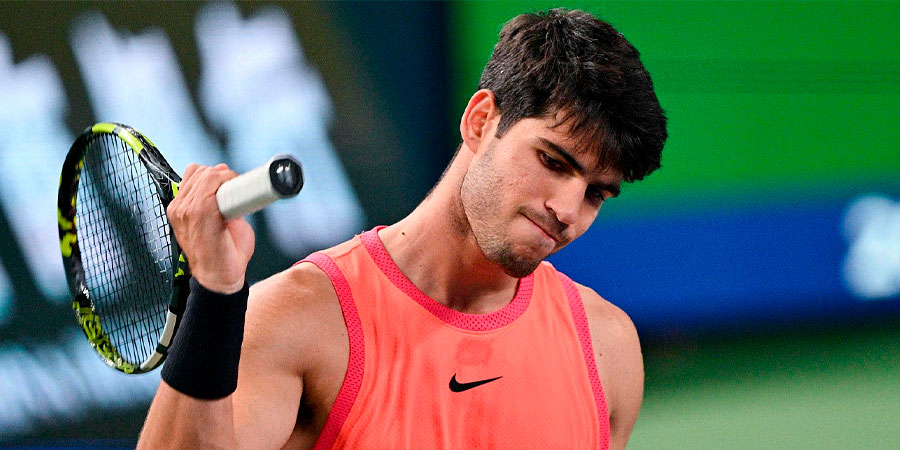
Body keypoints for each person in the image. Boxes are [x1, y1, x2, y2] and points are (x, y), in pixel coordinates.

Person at [138, 8, 666, 450]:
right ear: (481, 122)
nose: (568, 211)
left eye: (596, 193)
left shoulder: (607, 349)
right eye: (552, 161)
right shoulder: (300, 319)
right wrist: (215, 292)